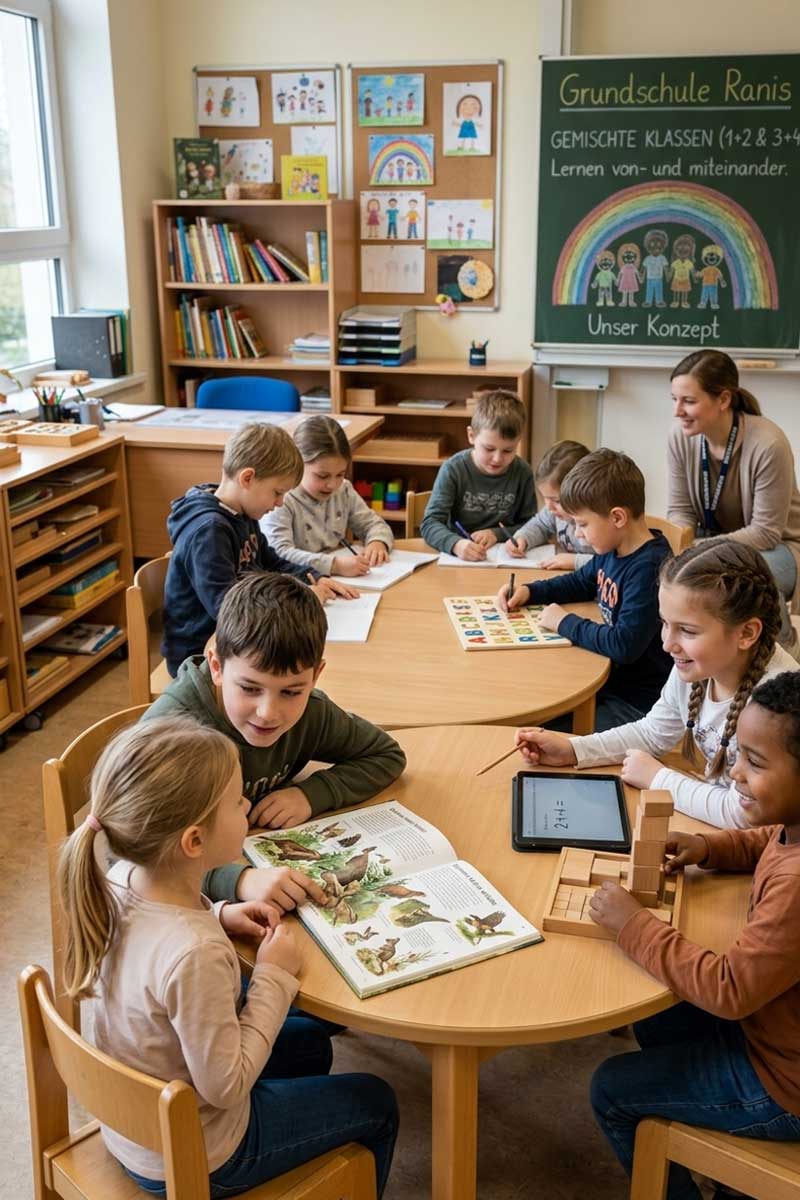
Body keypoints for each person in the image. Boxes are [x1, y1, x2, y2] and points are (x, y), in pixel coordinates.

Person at [57, 717, 398, 1197]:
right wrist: (274, 978)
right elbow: (226, 1088)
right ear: (194, 842)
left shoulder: (118, 881)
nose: (247, 806)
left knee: (311, 1045)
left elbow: (158, 941)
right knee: (377, 1101)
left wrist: (219, 913)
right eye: (238, 801)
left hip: (137, 1124)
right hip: (199, 1154)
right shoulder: (195, 955)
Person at [589, 670, 800, 1200]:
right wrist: (709, 848)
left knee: (612, 1090)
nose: (735, 774)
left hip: (783, 1086)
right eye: (739, 754)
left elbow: (729, 990)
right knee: (657, 1012)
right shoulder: (791, 826)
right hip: (773, 1026)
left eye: (755, 762)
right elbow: (764, 841)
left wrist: (634, 925)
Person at [144, 571, 406, 905]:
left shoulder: (312, 713)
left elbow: (386, 755)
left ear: (315, 676)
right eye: (250, 688)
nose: (268, 712)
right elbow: (128, 853)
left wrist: (311, 795)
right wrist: (233, 882)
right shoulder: (173, 734)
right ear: (217, 667)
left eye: (291, 692)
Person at [515, 540, 798, 826]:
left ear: (746, 633)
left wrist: (658, 777)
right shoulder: (698, 665)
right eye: (664, 623)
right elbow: (653, 733)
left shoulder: (774, 710)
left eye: (687, 630)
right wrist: (574, 750)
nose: (667, 644)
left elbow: (743, 814)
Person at [162, 421, 357, 676]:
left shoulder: (242, 513)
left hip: (238, 640)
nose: (280, 503)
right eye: (277, 492)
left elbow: (271, 561)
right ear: (247, 478)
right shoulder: (208, 531)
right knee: (295, 677)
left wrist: (314, 576)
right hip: (201, 656)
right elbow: (226, 609)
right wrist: (304, 596)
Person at [497, 448, 672, 729]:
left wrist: (565, 622)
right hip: (606, 685)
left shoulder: (650, 568)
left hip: (636, 705)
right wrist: (531, 592)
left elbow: (623, 645)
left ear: (617, 518)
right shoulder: (613, 548)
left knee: (536, 732)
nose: (577, 533)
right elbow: (581, 582)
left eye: (582, 524)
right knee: (524, 709)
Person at [667, 349, 800, 656]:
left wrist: (698, 551)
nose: (677, 411)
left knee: (748, 574)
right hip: (712, 542)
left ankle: (784, 654)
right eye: (674, 399)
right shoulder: (679, 437)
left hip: (778, 549)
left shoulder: (768, 444)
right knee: (669, 567)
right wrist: (680, 547)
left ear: (723, 400)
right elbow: (680, 512)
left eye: (688, 401)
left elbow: (766, 533)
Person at [263, 415, 393, 578]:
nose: (332, 484)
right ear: (297, 464)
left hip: (342, 581)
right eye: (322, 476)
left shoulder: (343, 490)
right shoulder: (282, 499)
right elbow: (278, 554)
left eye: (340, 474)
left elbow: (373, 524)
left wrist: (377, 542)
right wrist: (334, 565)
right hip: (300, 583)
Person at [420, 389, 536, 561]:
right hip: (458, 558)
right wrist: (456, 544)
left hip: (504, 560)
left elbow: (533, 525)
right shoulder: (454, 469)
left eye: (508, 450)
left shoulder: (522, 472)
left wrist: (496, 534)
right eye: (489, 449)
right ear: (471, 436)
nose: (497, 458)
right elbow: (430, 524)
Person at [506, 439, 594, 569]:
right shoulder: (555, 512)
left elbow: (617, 562)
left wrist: (575, 561)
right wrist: (523, 538)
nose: (549, 507)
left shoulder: (598, 520)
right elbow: (540, 524)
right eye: (545, 498)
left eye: (557, 501)